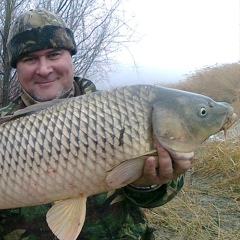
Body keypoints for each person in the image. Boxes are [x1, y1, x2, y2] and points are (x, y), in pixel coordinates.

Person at [0, 9, 193, 240]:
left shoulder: (118, 111)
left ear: (70, 56)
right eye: (30, 58)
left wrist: (145, 184)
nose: (44, 69)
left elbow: (157, 198)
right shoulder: (5, 126)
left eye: (53, 54)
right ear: (16, 67)